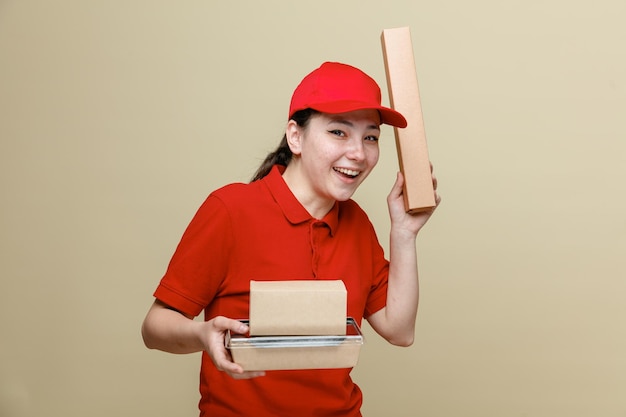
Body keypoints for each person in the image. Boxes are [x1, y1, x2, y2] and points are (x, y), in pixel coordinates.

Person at [141, 61, 440, 416]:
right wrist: (202, 335)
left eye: (370, 137)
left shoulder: (357, 223)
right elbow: (154, 327)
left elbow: (399, 330)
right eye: (339, 132)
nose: (359, 153)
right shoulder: (231, 210)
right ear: (295, 136)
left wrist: (404, 234)